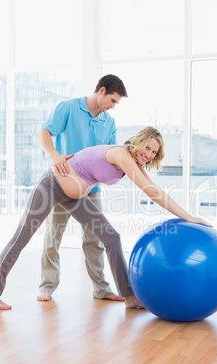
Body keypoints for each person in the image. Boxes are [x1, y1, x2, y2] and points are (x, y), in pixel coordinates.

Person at [0, 126, 212, 310]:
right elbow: (151, 192)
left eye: (154, 153)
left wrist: (189, 217)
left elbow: (156, 192)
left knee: (111, 237)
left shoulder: (133, 164)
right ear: (140, 141)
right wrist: (190, 217)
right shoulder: (121, 154)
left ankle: (130, 296)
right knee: (21, 238)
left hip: (75, 198)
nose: (149, 154)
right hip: (52, 185)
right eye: (148, 148)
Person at [37, 74, 128, 303]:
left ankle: (101, 289)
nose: (113, 106)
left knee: (94, 239)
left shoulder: (109, 122)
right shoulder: (68, 108)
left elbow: (110, 156)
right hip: (63, 183)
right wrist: (55, 156)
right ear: (102, 91)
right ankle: (47, 285)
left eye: (116, 103)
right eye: (113, 101)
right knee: (53, 236)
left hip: (92, 189)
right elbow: (44, 132)